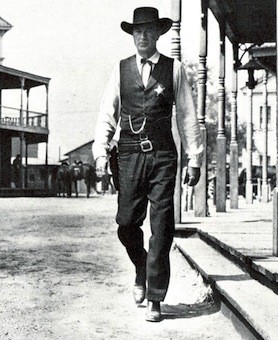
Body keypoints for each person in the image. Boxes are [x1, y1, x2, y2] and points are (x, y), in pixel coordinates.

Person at [93, 7, 203, 322]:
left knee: (162, 226)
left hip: (163, 155)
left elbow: (186, 114)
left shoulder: (175, 69)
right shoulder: (120, 70)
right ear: (133, 35)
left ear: (158, 34)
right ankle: (141, 265)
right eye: (137, 31)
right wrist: (101, 153)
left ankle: (155, 297)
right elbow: (107, 113)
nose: (142, 36)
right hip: (128, 154)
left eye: (148, 31)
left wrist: (194, 157)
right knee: (126, 224)